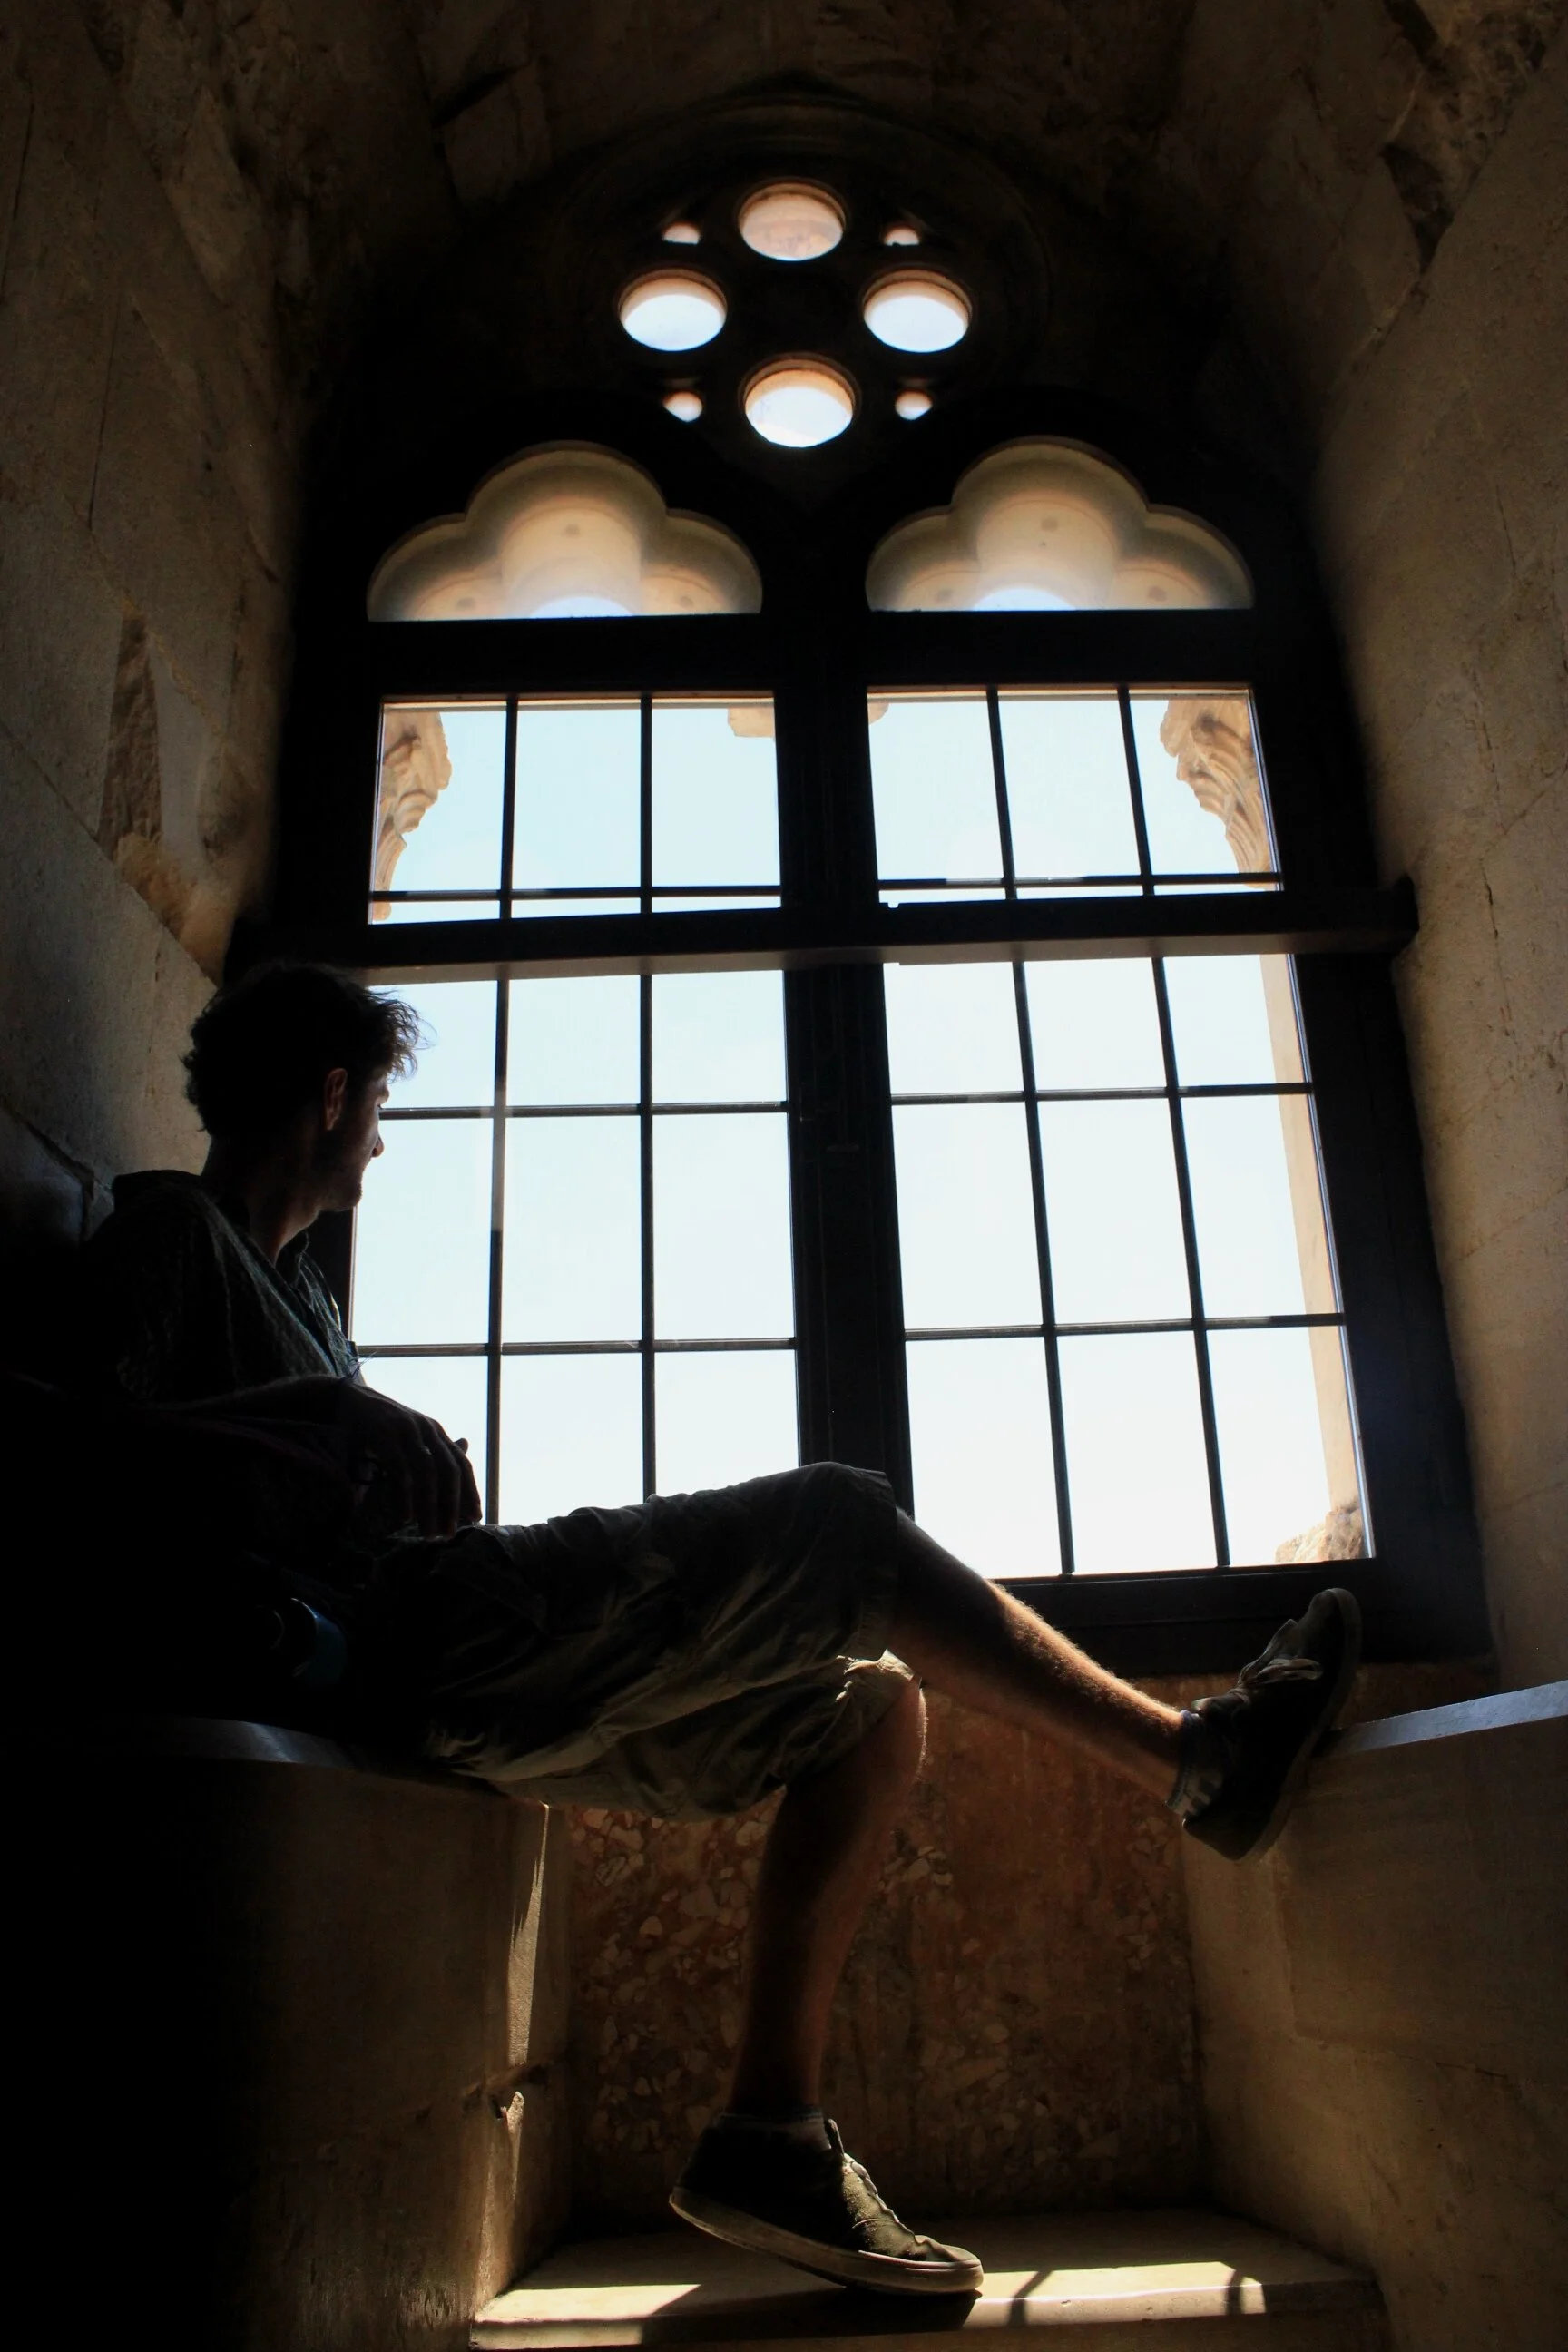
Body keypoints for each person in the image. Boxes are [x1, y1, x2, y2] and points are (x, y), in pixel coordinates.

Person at [75, 962, 1361, 2299]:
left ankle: (771, 2135)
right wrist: (325, 1421)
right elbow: (66, 1441)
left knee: (869, 1707)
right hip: (400, 1648)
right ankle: (1197, 1763)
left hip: (442, 1670)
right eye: (379, 1105)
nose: (384, 1142)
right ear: (331, 1096)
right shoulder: (171, 1237)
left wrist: (342, 1418)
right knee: (846, 1524)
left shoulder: (309, 1307)